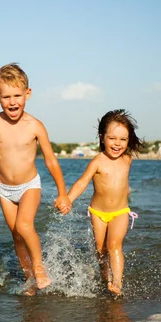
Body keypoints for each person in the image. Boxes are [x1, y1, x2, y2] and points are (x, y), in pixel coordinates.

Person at [0, 63, 72, 293]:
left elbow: (51, 160)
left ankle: (39, 268)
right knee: (16, 236)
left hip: (29, 186)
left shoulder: (35, 125)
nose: (12, 102)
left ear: (28, 94)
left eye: (17, 96)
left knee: (24, 225)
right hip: (4, 190)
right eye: (6, 97)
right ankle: (30, 279)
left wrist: (62, 193)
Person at [60, 109, 144, 296]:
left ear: (128, 140)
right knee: (100, 249)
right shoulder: (97, 161)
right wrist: (69, 199)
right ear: (102, 137)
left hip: (121, 211)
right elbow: (82, 182)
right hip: (98, 212)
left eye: (123, 139)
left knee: (114, 245)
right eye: (112, 138)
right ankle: (104, 277)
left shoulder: (127, 159)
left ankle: (117, 283)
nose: (117, 144)